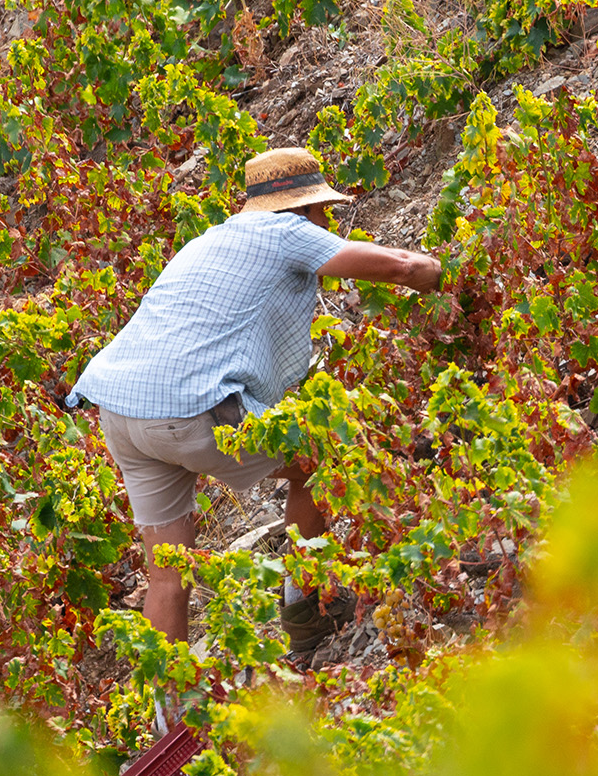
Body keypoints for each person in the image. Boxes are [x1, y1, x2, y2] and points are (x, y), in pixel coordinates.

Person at [68, 147, 442, 663]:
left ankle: (168, 704)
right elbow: (400, 267)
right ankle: (306, 605)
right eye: (322, 210)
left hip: (121, 408)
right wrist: (448, 277)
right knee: (326, 457)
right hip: (189, 407)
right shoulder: (286, 230)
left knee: (167, 575)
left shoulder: (210, 240)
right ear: (301, 208)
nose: (326, 222)